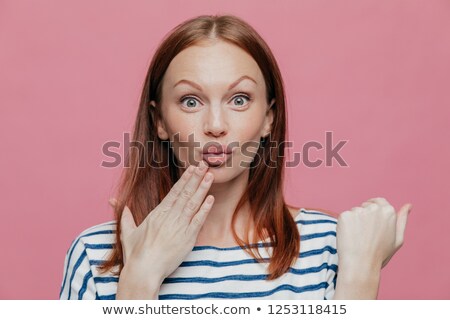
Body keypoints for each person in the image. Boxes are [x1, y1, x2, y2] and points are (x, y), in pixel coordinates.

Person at [59, 14, 412, 300]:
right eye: (190, 101)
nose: (215, 126)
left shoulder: (333, 248)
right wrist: (139, 281)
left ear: (268, 119)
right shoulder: (96, 255)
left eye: (239, 99)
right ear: (159, 121)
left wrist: (360, 280)